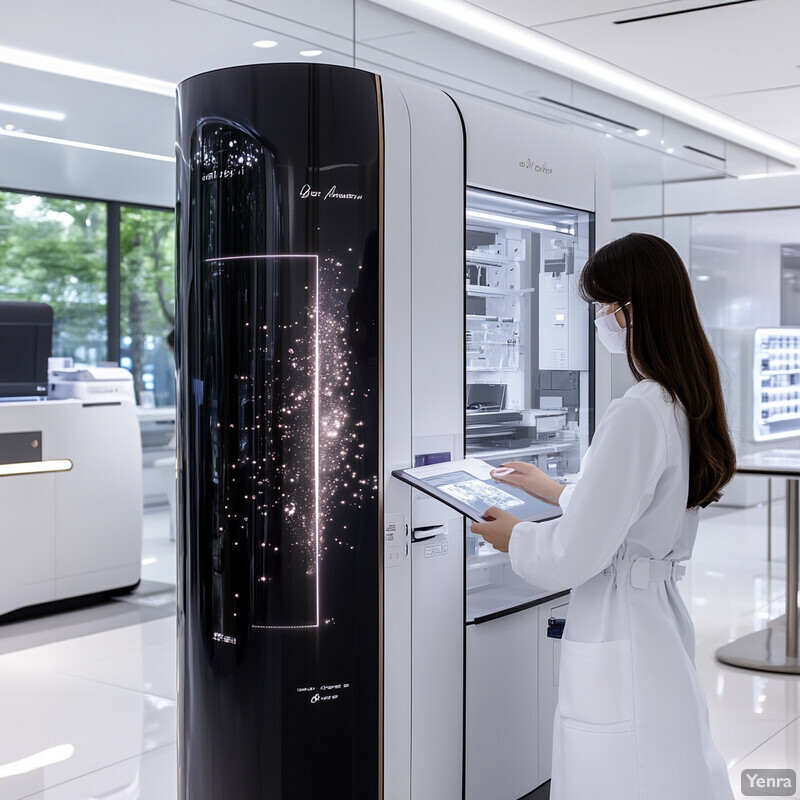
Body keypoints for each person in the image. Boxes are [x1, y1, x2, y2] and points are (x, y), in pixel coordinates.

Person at [471, 233, 736, 800]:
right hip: (652, 617)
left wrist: (512, 536)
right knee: (665, 763)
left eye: (600, 306)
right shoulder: (678, 398)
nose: (598, 318)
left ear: (629, 309)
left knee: (622, 770)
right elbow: (636, 511)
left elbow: (573, 554)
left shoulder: (637, 411)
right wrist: (555, 490)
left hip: (623, 623)